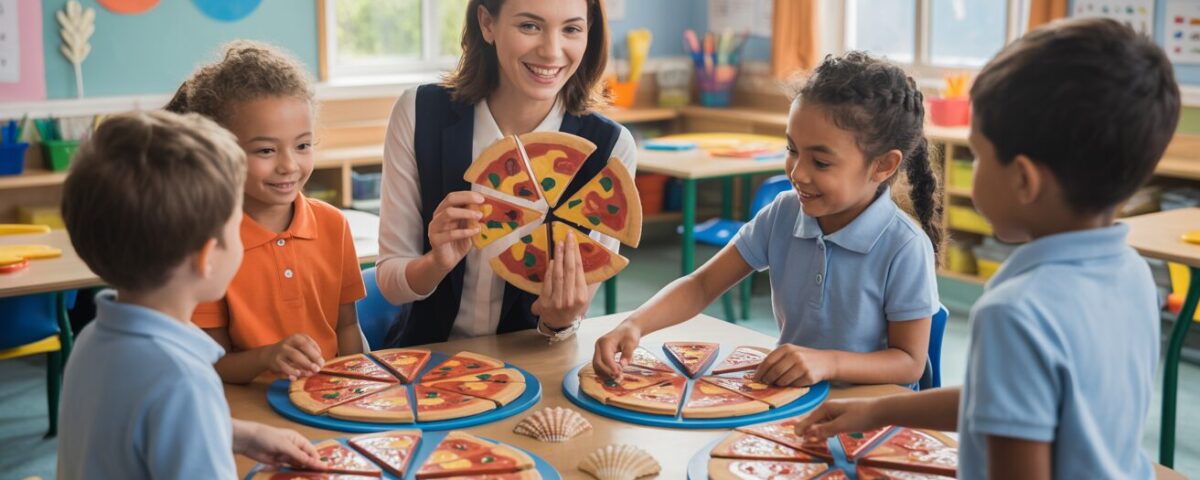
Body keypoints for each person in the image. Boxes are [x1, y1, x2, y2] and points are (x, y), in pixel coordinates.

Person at [794, 18, 1180, 479]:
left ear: (1023, 179)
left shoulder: (1015, 312)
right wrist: (877, 410)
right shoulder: (1133, 273)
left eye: (977, 155)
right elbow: (1011, 397)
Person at [594, 51, 942, 388]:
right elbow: (702, 286)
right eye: (792, 150)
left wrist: (828, 362)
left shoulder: (904, 246)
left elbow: (909, 363)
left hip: (870, 414)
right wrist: (635, 324)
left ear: (883, 165)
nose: (798, 173)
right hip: (794, 400)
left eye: (820, 163)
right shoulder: (783, 213)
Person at [57, 111, 324, 478]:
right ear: (206, 257)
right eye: (237, 227)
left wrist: (242, 434)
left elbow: (135, 427)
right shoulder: (182, 379)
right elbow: (175, 410)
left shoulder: (90, 340)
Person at [376, 0, 637, 345]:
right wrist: (435, 263)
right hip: (426, 358)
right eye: (530, 26)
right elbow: (392, 287)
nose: (551, 51)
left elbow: (571, 316)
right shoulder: (418, 114)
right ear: (487, 23)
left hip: (533, 361)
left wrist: (559, 321)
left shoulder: (609, 149)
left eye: (571, 29)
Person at [167, 41, 368, 384]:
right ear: (221, 152)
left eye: (303, 145)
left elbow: (347, 326)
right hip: (251, 410)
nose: (289, 165)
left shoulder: (333, 225)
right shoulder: (210, 244)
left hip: (330, 402)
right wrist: (267, 357)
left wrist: (362, 387)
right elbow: (212, 363)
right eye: (265, 150)